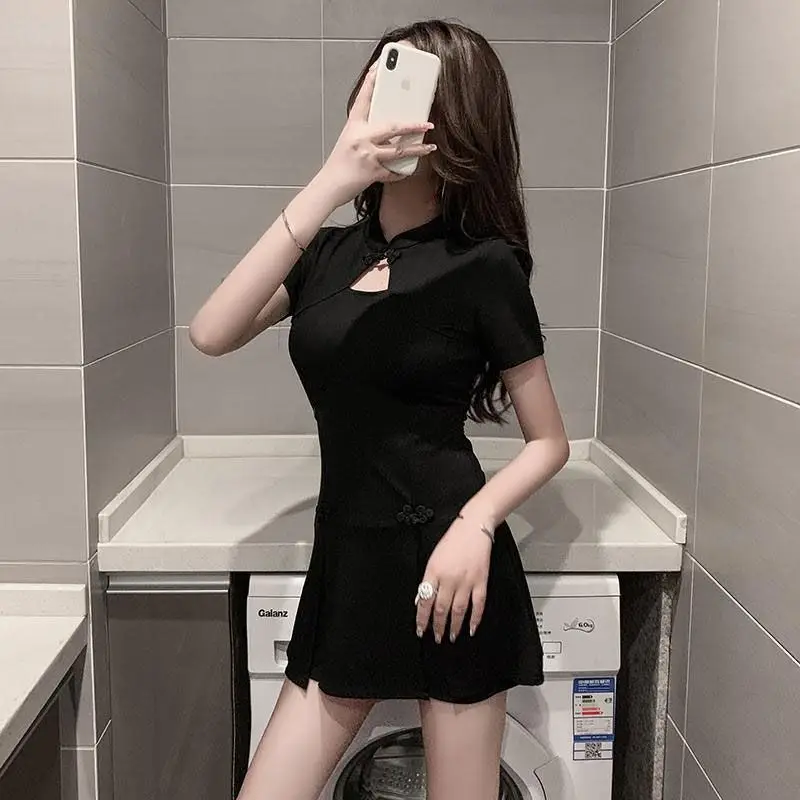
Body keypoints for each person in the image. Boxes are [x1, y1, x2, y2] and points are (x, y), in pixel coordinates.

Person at [190, 18, 569, 800]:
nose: (387, 115)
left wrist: (477, 524)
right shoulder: (325, 254)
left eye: (412, 97)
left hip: (451, 567)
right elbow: (211, 331)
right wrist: (331, 178)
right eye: (378, 92)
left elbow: (548, 442)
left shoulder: (484, 266)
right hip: (349, 561)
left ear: (455, 124)